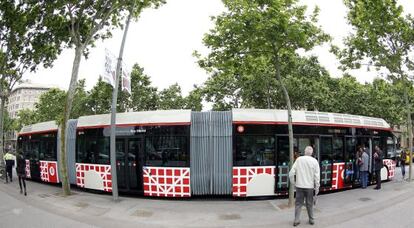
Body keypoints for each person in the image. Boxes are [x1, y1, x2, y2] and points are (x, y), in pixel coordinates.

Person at [289, 146, 320, 226]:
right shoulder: (315, 161)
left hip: (299, 186)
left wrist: (294, 183)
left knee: (298, 204)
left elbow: (291, 173)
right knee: (309, 204)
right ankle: (311, 220)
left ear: (304, 152)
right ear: (312, 153)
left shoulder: (299, 159)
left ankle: (296, 220)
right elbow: (317, 177)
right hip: (309, 187)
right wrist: (317, 189)